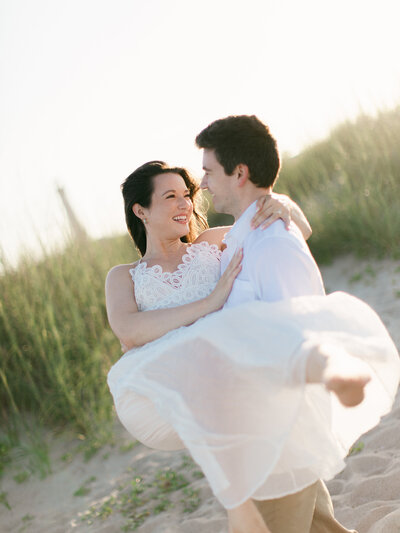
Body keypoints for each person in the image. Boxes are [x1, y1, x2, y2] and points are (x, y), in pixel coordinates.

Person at [106, 126, 399, 533]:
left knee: (294, 485)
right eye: (170, 196)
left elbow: (280, 229)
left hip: (234, 380)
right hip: (171, 388)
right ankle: (321, 368)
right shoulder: (125, 276)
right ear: (141, 210)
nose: (186, 203)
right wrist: (207, 304)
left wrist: (281, 202)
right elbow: (129, 331)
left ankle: (323, 368)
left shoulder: (211, 243)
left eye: (187, 194)